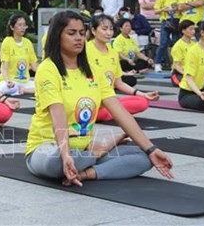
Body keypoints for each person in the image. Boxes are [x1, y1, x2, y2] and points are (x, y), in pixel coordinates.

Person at [25, 10, 173, 185]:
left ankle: (87, 173)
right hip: (48, 149)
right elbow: (58, 115)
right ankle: (97, 152)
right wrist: (66, 155)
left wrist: (151, 148)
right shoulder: (48, 69)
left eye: (81, 33)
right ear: (57, 36)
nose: (79, 38)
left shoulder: (94, 71)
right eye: (71, 33)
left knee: (144, 157)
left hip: (83, 152)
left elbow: (120, 112)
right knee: (55, 162)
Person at [87, 15, 157, 121]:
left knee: (143, 102)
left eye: (110, 29)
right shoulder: (85, 50)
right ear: (93, 30)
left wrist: (142, 94)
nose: (108, 33)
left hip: (108, 99)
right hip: (89, 100)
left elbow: (118, 83)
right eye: (104, 29)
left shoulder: (112, 52)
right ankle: (111, 113)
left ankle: (111, 112)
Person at [177, 18, 204, 111]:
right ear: (202, 33)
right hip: (189, 94)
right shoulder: (193, 51)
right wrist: (199, 94)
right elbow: (189, 78)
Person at [0, 14, 38, 96]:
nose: (22, 27)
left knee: (45, 86)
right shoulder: (7, 41)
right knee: (6, 88)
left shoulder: (28, 42)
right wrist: (7, 80)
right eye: (19, 25)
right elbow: (4, 67)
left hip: (25, 82)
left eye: (24, 25)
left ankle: (25, 90)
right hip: (11, 81)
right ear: (12, 27)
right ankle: (19, 90)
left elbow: (34, 66)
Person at [153, 0, 182, 72]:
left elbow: (182, 7)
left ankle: (175, 64)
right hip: (166, 21)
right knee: (163, 43)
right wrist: (164, 9)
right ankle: (157, 63)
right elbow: (156, 10)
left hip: (177, 20)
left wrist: (177, 8)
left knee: (176, 43)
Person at [170, 20, 196, 87]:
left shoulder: (195, 45)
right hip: (179, 74)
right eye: (191, 29)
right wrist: (186, 74)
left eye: (194, 29)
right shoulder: (178, 46)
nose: (193, 31)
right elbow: (177, 65)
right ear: (183, 31)